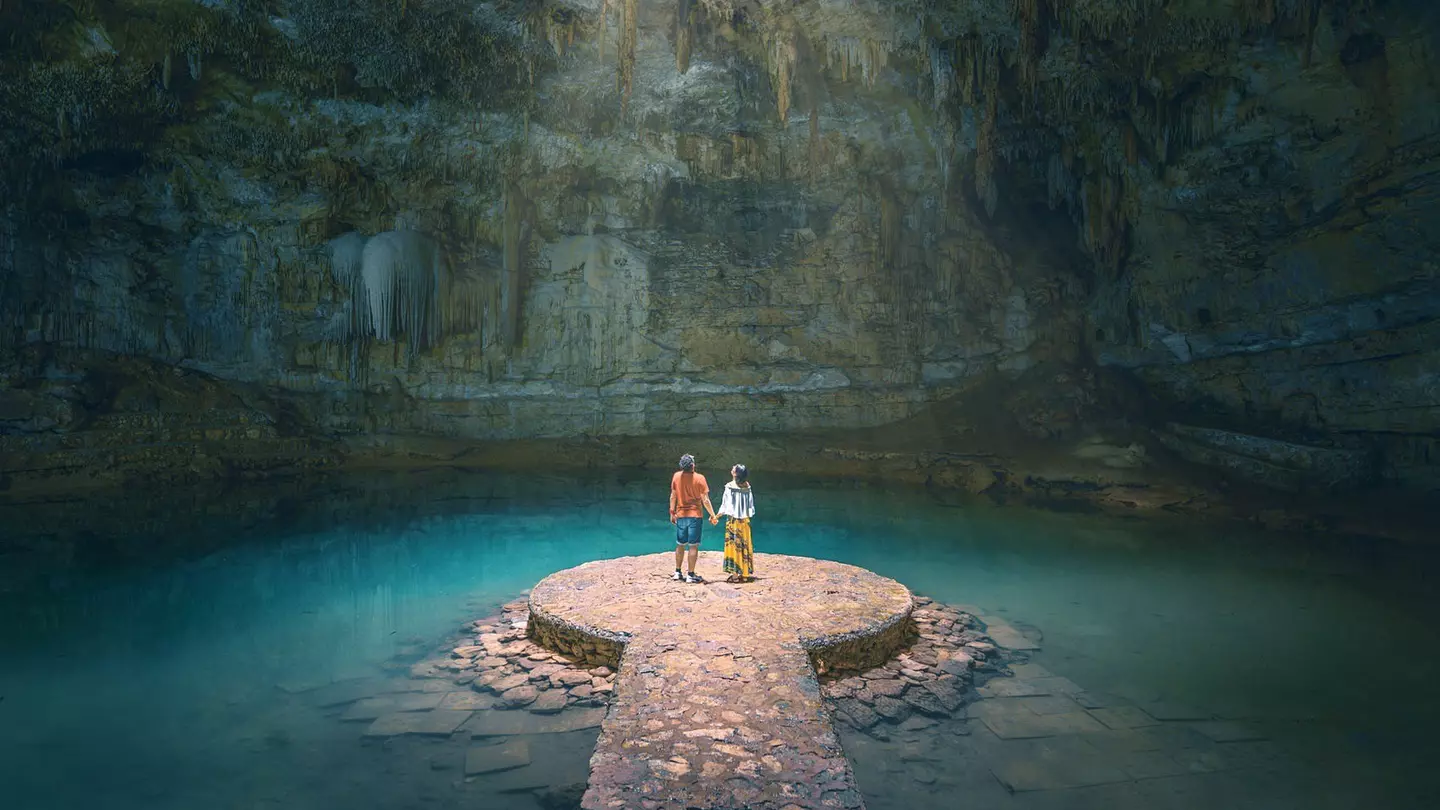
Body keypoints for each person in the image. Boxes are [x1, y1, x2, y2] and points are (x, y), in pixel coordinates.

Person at [669, 453, 716, 583]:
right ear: (693, 465)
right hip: (695, 516)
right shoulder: (700, 478)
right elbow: (705, 500)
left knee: (680, 544)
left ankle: (677, 572)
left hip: (681, 515)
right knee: (693, 546)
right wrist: (713, 515)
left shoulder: (676, 476)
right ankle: (690, 574)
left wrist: (672, 513)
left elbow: (673, 496)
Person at [713, 463, 756, 583]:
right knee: (744, 546)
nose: (732, 469)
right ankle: (745, 574)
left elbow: (725, 506)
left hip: (733, 522)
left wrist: (716, 516)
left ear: (735, 474)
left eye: (734, 469)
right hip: (745, 522)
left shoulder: (729, 487)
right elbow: (750, 506)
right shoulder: (747, 486)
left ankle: (735, 576)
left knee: (734, 547)